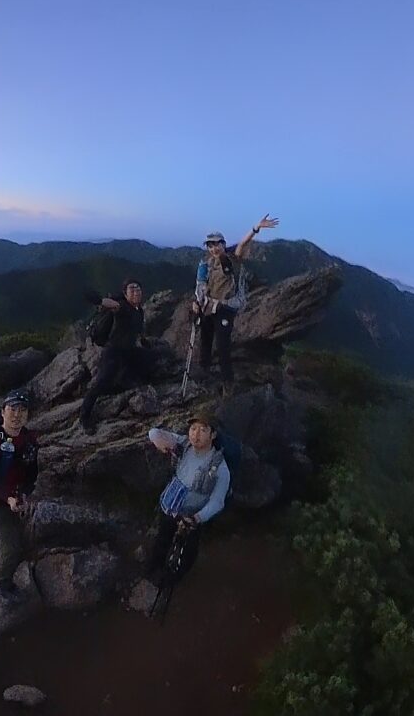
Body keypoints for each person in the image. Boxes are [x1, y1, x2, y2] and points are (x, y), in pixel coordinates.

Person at [193, 214, 279, 388]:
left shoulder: (232, 259)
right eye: (211, 245)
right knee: (206, 341)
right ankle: (204, 374)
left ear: (223, 244)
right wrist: (197, 302)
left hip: (225, 308)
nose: (214, 248)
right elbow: (200, 285)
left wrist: (256, 228)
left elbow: (243, 244)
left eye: (217, 244)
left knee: (223, 345)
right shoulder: (206, 264)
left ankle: (227, 383)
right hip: (209, 306)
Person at [144, 411, 231, 584]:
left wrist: (196, 518)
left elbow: (217, 501)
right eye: (193, 428)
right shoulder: (184, 444)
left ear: (213, 435)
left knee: (188, 548)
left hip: (191, 516)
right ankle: (153, 569)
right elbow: (154, 432)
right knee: (162, 538)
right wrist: (157, 440)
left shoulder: (220, 467)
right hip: (170, 506)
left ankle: (176, 576)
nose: (195, 434)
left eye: (202, 430)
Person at [0, 388, 39, 601]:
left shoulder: (29, 439)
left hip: (13, 494)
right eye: (13, 409)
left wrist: (25, 494)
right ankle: (5, 584)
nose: (17, 415)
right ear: (3, 412)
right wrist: (9, 499)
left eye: (22, 410)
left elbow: (32, 473)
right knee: (12, 545)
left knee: (21, 532)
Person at [79, 277, 157, 433]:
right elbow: (111, 304)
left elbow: (137, 330)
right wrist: (99, 300)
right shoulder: (122, 307)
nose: (136, 292)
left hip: (129, 351)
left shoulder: (139, 311)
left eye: (138, 288)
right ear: (125, 294)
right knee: (100, 384)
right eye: (132, 289)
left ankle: (126, 381)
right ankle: (84, 417)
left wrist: (144, 341)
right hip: (114, 352)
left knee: (151, 358)